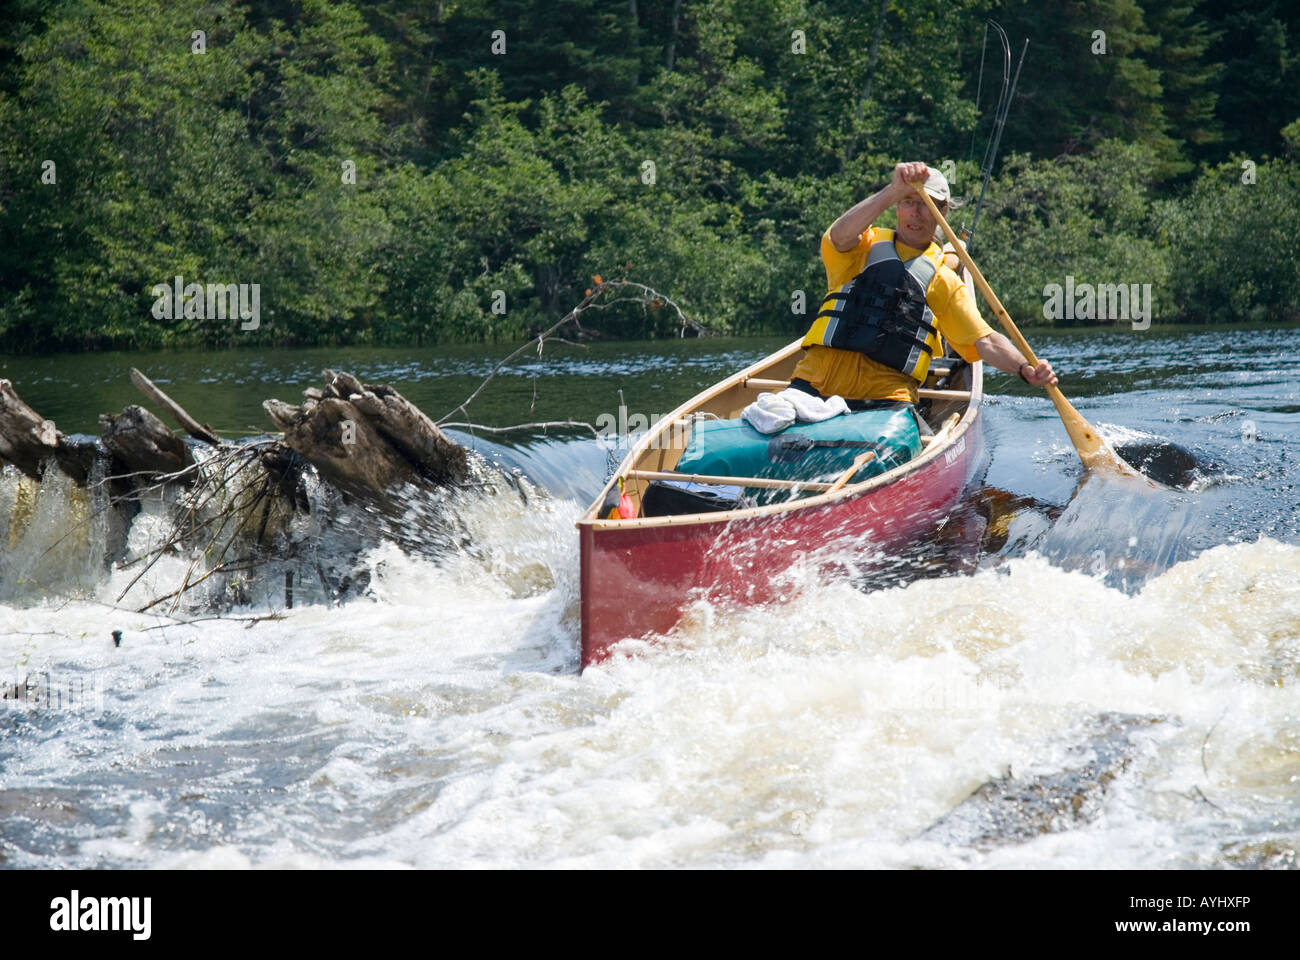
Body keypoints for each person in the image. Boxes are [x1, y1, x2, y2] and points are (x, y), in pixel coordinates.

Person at [791, 161, 1056, 416]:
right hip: (813, 386)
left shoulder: (943, 279)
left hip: (885, 400)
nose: (916, 213)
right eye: (908, 202)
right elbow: (837, 235)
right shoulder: (861, 246)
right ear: (897, 207)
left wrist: (1024, 368)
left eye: (926, 205)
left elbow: (985, 340)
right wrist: (892, 190)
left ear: (943, 213)